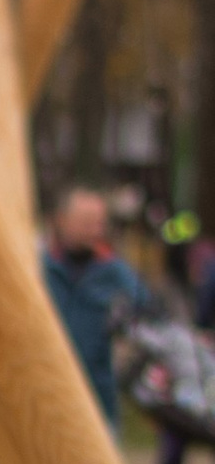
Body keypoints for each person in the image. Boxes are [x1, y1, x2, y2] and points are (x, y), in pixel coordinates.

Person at [42, 186, 146, 436]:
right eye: (86, 222)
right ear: (61, 220)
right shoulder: (40, 270)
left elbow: (147, 315)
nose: (95, 231)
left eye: (99, 223)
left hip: (99, 396)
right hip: (48, 394)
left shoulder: (115, 273)